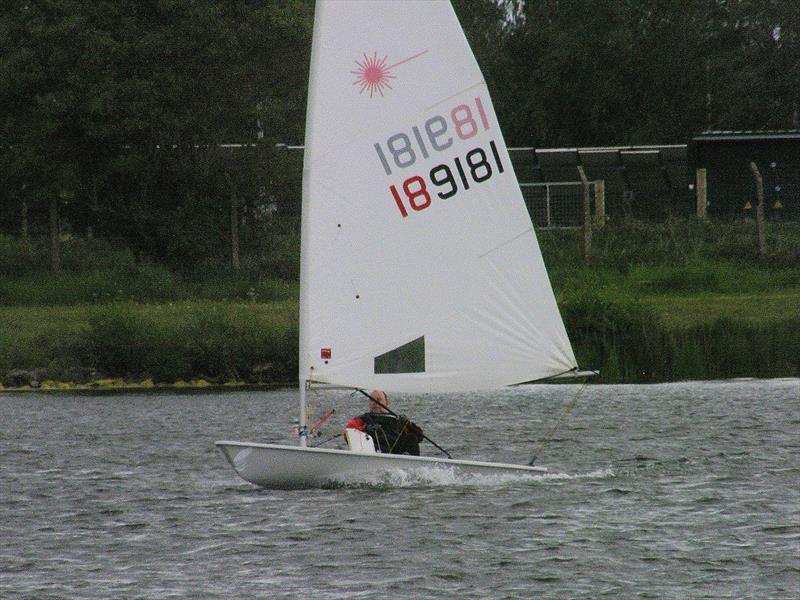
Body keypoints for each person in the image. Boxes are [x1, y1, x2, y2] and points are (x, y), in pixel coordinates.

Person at [344, 390, 424, 455]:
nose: (375, 402)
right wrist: (365, 429)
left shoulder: (397, 420)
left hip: (395, 454)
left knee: (412, 437)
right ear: (369, 404)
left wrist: (409, 425)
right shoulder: (363, 419)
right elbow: (348, 431)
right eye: (372, 400)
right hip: (372, 453)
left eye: (379, 400)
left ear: (387, 403)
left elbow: (420, 437)